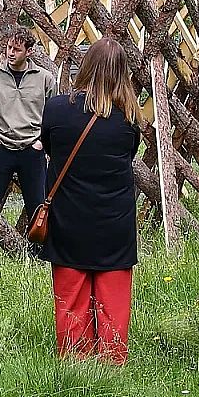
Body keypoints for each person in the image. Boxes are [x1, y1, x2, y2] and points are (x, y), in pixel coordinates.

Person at [39, 38, 141, 365]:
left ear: (86, 66)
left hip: (69, 218)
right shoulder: (128, 118)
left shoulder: (57, 109)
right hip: (114, 222)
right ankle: (111, 367)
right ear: (121, 73)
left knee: (70, 302)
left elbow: (49, 148)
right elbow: (129, 156)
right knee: (113, 305)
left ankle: (76, 368)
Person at [0, 28, 56, 254]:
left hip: (32, 149)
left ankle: (38, 255)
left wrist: (42, 142)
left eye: (17, 49)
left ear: (29, 51)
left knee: (37, 207)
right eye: (8, 48)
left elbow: (53, 115)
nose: (10, 53)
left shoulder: (45, 79)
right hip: (1, 148)